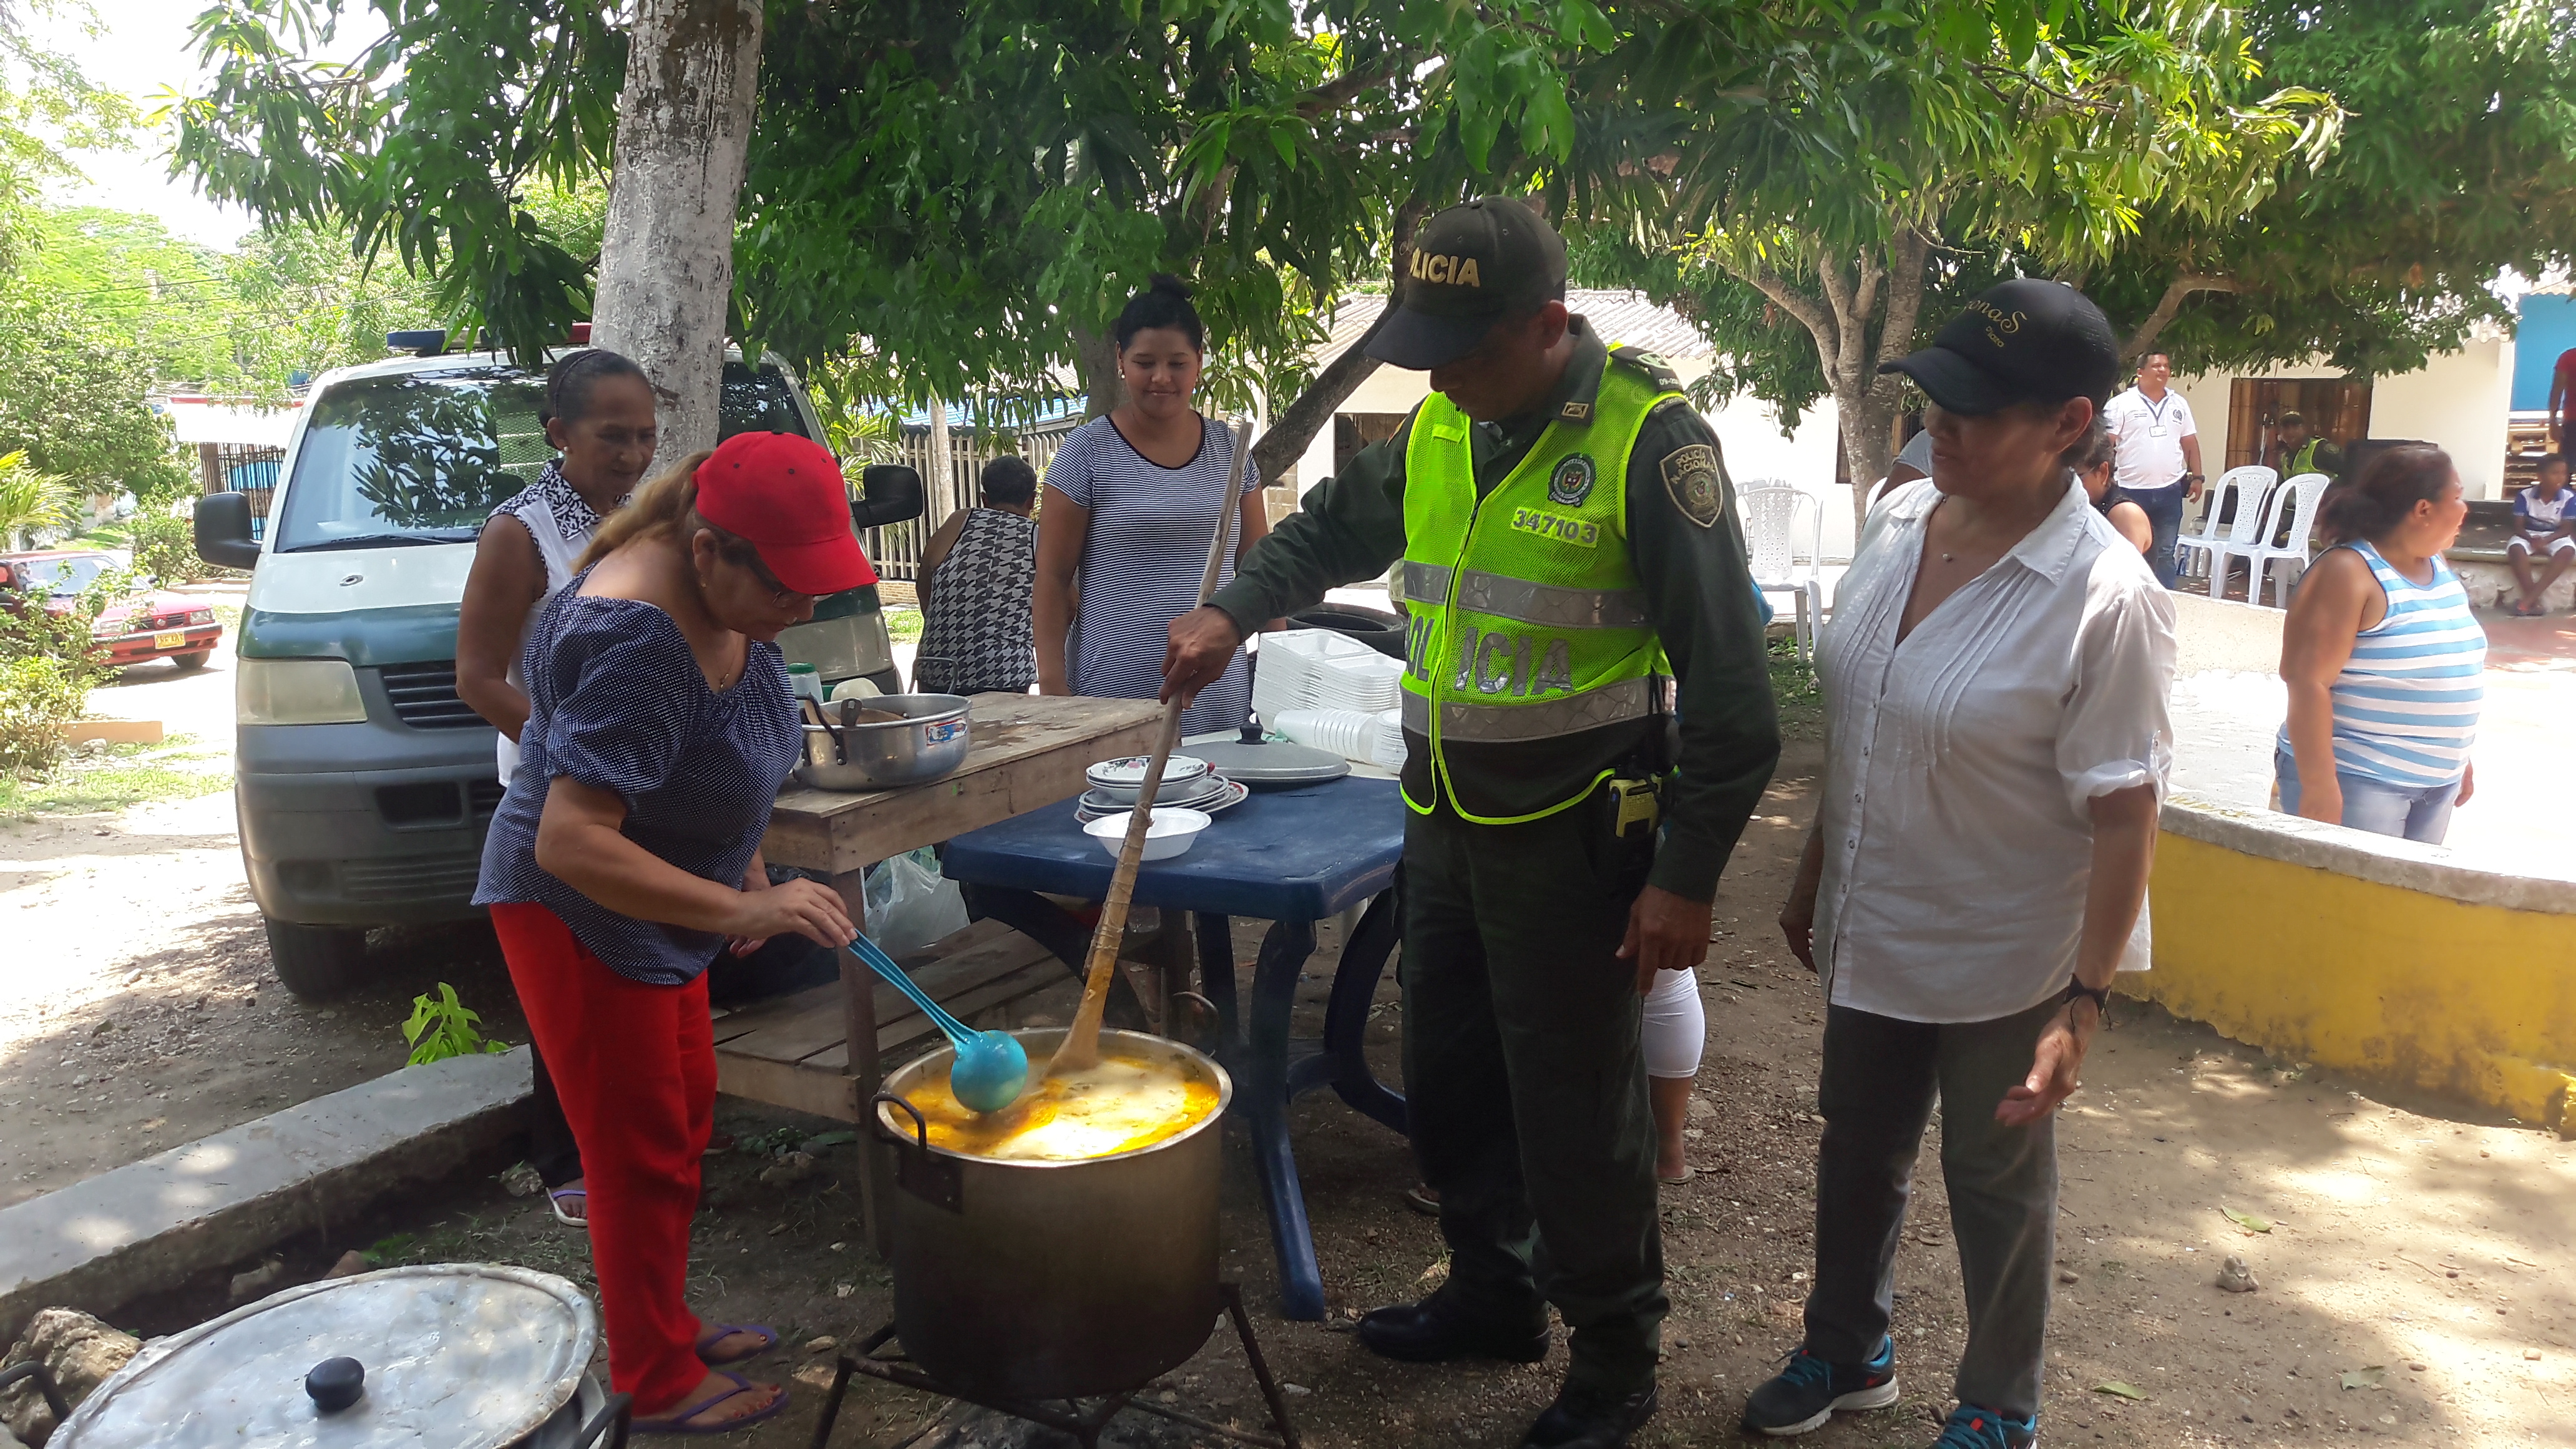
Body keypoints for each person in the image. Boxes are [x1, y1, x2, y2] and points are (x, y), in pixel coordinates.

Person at [1165, 197, 1781, 1449]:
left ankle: (1615, 1359)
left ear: (1549, 325)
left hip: (1572, 834)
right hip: (1442, 822)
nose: (1438, 373)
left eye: (1463, 345)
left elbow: (1734, 698)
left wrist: (1688, 875)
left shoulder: (1648, 447)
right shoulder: (1446, 423)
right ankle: (1493, 1296)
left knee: (1574, 1109)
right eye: (1425, 344)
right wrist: (1236, 607)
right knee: (1451, 1084)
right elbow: (1336, 528)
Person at [1745, 280, 2173, 1449]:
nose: (1941, 422)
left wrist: (2081, 1002)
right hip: (1873, 914)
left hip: (2005, 951)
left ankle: (1996, 1406)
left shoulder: (2103, 598)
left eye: (1976, 410)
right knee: (1857, 1144)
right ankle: (1846, 1348)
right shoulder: (1896, 524)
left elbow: (2127, 813)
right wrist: (1813, 870)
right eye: (1936, 397)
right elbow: (1866, 715)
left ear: (2068, 424)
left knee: (1994, 1187)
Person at [472, 431, 872, 1434]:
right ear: (708, 551)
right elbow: (571, 838)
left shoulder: (733, 589)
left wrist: (745, 861)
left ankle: (665, 1323)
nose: (804, 610)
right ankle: (649, 1376)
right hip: (577, 912)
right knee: (634, 1143)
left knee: (681, 1114)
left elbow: (720, 745)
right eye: (788, 591)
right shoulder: (639, 640)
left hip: (657, 898)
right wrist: (746, 909)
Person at [456, 348, 659, 1232]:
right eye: (612, 435)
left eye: (646, 434)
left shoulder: (644, 519)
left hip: (635, 782)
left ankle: (634, 1140)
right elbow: (476, 675)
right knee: (564, 991)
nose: (632, 452)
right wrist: (569, 753)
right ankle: (566, 1154)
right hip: (553, 792)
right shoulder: (521, 533)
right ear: (558, 433)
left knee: (627, 969)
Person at [1035, 275, 1273, 735]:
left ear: (1199, 363)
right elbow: (1051, 578)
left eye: (1177, 363)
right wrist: (1053, 688)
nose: (1161, 378)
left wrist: (1282, 661)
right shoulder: (1085, 452)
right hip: (1112, 692)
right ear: (1121, 361)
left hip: (1215, 693)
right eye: (1145, 362)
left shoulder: (1232, 452)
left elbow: (1260, 567)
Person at [2275, 444, 2482, 844]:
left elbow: (2439, 671)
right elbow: (2306, 681)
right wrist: (2319, 787)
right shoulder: (2349, 571)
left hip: (2435, 783)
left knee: (2402, 902)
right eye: (2457, 496)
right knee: (2343, 904)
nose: (2465, 508)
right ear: (2423, 509)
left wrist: (2457, 755)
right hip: (2360, 781)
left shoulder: (2437, 566)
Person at [912, 455, 1041, 693]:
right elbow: (1068, 607)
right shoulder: (1037, 537)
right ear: (1032, 501)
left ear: (984, 499)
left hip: (938, 669)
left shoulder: (958, 522)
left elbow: (924, 590)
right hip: (1005, 673)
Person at [2100, 350, 2203, 587]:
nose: (2163, 370)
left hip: (2169, 491)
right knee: (2129, 550)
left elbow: (2190, 443)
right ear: (2140, 373)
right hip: (2130, 492)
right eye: (2157, 366)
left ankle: (2166, 599)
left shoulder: (2179, 404)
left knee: (2166, 552)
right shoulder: (2121, 404)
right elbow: (2106, 445)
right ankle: (2127, 598)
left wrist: (2197, 476)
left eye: (2166, 366)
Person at [2505, 452, 2575, 617]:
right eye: (2554, 473)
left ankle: (2527, 602)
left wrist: (2546, 541)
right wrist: (2531, 539)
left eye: (2563, 473)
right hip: (2528, 535)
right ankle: (2533, 602)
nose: (2560, 477)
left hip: (2555, 536)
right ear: (2540, 476)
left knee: (2567, 551)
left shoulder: (2569, 497)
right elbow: (2518, 526)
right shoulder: (2525, 495)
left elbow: (2566, 529)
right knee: (2516, 549)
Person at [2069, 426, 2151, 554]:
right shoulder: (2081, 507)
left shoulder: (2125, 514)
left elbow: (2125, 570)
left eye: (2077, 478)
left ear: (2103, 472)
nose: (2069, 485)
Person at [2271, 409, 2343, 482]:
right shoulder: (2284, 457)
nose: (2290, 432)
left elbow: (2348, 470)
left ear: (2304, 429)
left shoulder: (2319, 449)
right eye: (2286, 428)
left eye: (2295, 427)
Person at [2549, 345, 2576, 450]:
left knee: (2570, 463)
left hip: (2573, 422)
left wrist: (2553, 420)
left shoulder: (2568, 357)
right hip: (2572, 422)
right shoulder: (2568, 358)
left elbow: (2557, 390)